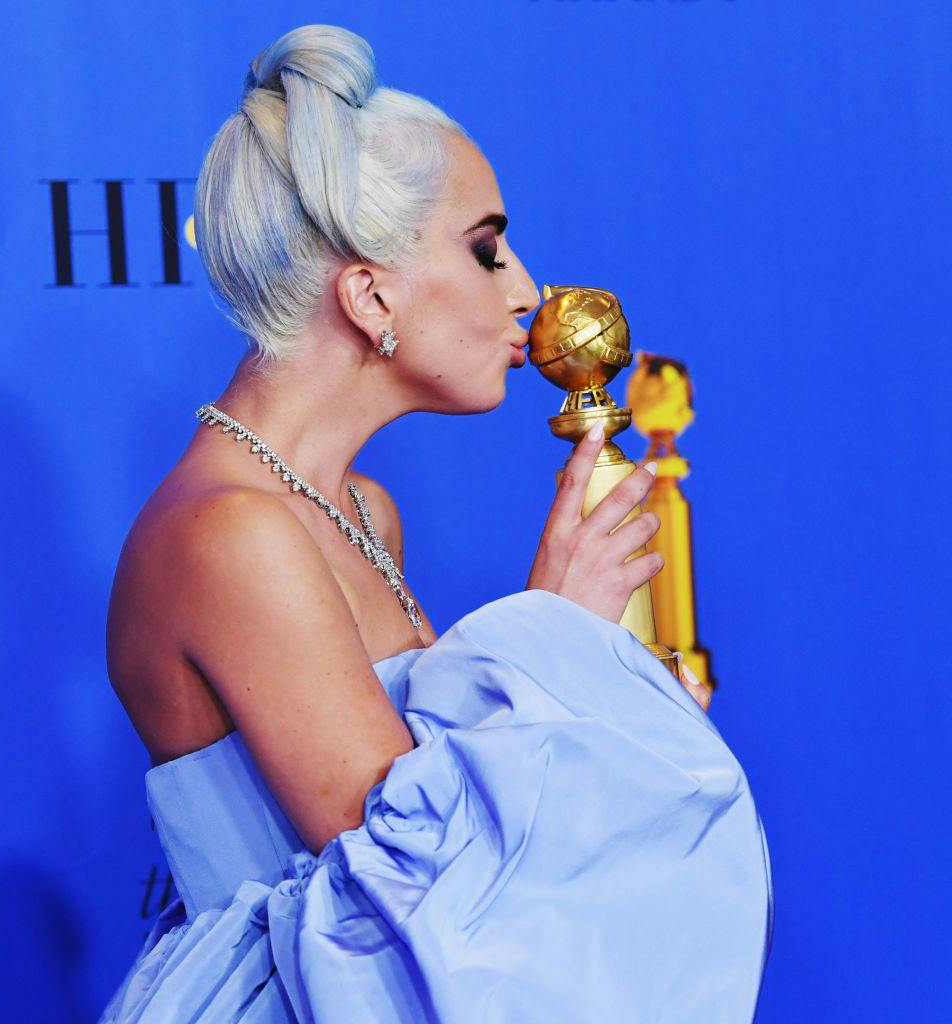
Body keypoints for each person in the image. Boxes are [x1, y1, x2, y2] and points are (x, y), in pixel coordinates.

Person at [100, 23, 772, 1024]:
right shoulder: (230, 534)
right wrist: (554, 634)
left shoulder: (363, 511)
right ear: (371, 293)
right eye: (487, 249)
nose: (528, 294)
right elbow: (413, 884)